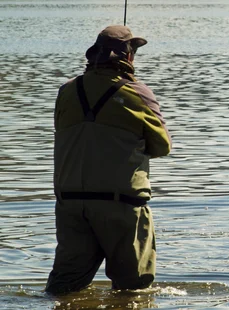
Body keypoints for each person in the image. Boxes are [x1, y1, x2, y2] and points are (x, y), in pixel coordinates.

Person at [45, 25, 172, 294]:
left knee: (63, 289)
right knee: (133, 291)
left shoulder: (66, 91)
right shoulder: (138, 93)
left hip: (70, 204)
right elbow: (162, 146)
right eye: (133, 51)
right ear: (127, 58)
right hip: (121, 205)